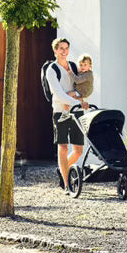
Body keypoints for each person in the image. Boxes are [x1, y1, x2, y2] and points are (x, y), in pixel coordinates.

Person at [43, 38, 88, 193]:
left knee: (78, 150)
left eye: (66, 48)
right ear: (55, 50)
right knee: (63, 147)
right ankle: (67, 185)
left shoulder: (74, 67)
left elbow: (82, 88)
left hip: (76, 112)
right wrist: (76, 100)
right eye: (61, 48)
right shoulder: (51, 70)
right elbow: (59, 95)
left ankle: (63, 170)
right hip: (60, 111)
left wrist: (75, 95)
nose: (64, 51)